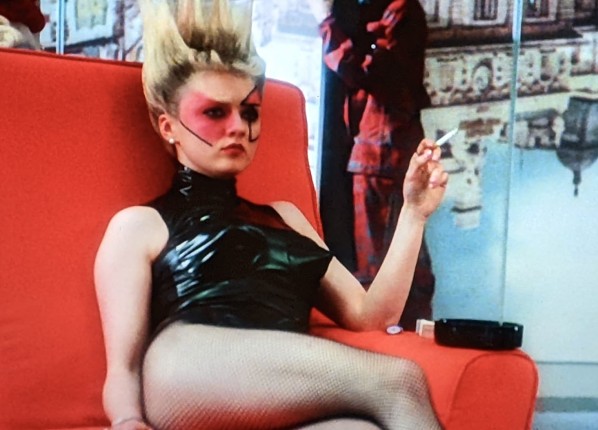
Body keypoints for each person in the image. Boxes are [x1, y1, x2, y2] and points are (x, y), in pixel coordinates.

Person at [94, 0, 448, 429]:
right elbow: (123, 368)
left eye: (249, 112)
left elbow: (371, 316)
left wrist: (413, 213)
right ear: (168, 127)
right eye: (214, 112)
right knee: (401, 380)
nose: (238, 127)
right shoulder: (139, 225)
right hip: (185, 365)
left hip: (271, 388)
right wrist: (128, 422)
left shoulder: (286, 218)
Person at [319, 0, 434, 329]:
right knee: (391, 256)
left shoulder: (401, 11)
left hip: (382, 153)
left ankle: (388, 338)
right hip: (380, 150)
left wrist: (326, 22)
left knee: (378, 261)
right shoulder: (394, 11)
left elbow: (367, 72)